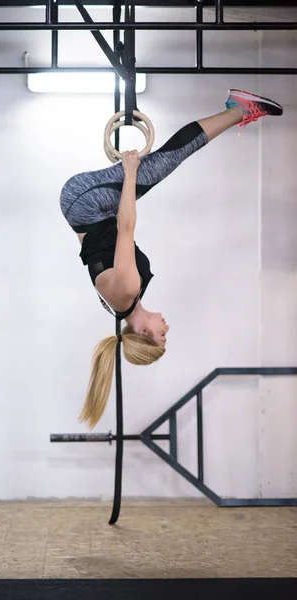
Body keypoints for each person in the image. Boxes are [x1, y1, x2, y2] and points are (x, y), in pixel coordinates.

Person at [60, 89, 283, 428]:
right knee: (163, 164)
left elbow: (125, 227)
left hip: (85, 204)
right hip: (87, 211)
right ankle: (235, 111)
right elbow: (97, 242)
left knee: (162, 164)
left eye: (162, 335)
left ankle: (239, 109)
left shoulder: (127, 291)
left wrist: (130, 172)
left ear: (144, 332)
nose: (167, 328)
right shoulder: (121, 304)